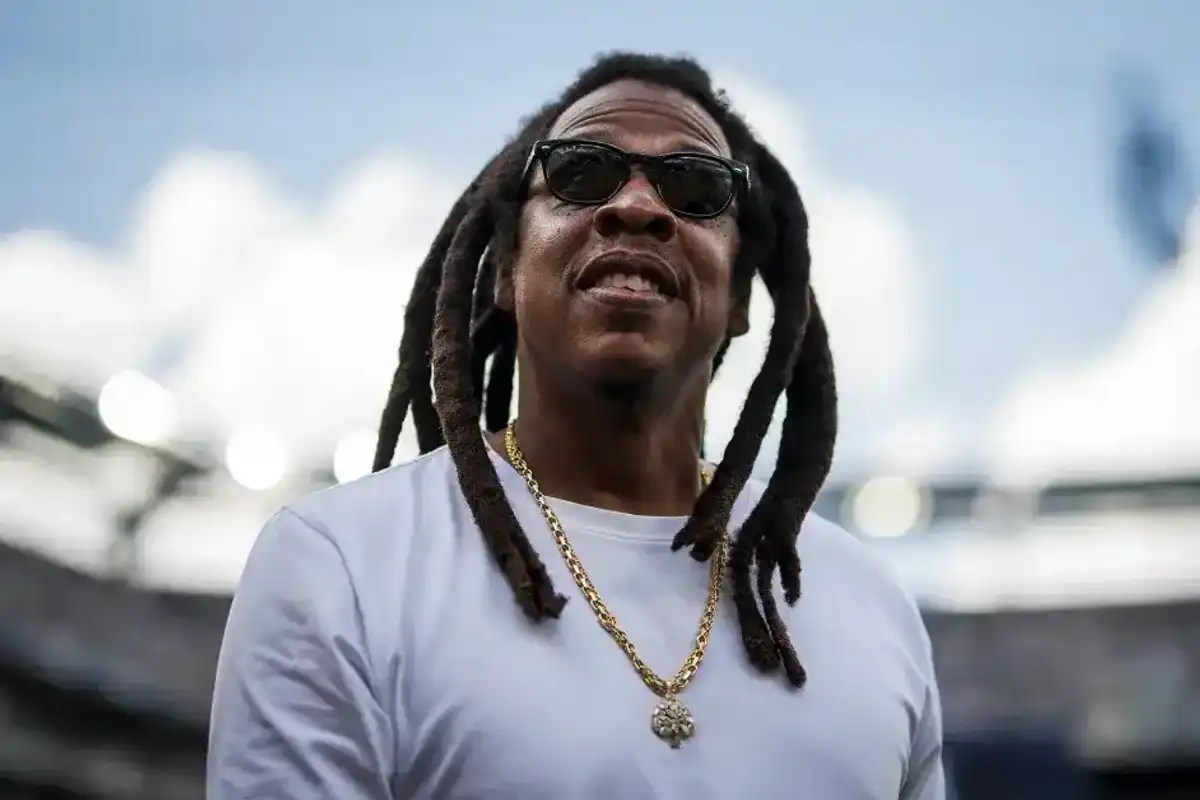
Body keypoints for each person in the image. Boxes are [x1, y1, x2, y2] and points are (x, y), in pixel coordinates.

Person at [207, 52, 946, 800]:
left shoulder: (872, 608)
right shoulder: (338, 566)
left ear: (739, 300)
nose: (637, 206)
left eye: (695, 186)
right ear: (506, 271)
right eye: (581, 171)